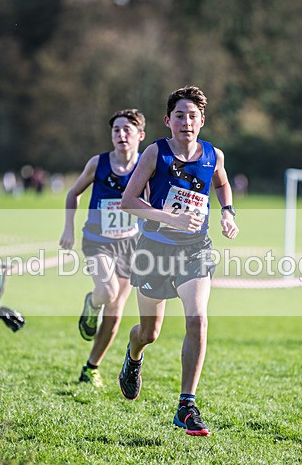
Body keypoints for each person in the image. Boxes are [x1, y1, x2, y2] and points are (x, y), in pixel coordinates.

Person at [118, 86, 239, 437]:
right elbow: (128, 201)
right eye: (180, 115)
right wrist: (170, 218)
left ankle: (186, 405)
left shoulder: (213, 154)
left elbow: (222, 184)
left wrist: (227, 212)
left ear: (202, 121)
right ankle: (133, 356)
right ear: (167, 120)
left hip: (195, 249)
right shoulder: (155, 153)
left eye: (192, 116)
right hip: (154, 250)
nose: (186, 122)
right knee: (149, 332)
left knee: (198, 319)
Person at [59, 109, 147, 387]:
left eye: (127, 130)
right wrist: (68, 229)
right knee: (107, 291)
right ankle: (92, 302)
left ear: (140, 136)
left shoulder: (146, 166)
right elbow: (73, 193)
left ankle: (91, 368)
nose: (121, 135)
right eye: (116, 130)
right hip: (98, 241)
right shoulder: (98, 163)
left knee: (115, 312)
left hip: (131, 244)